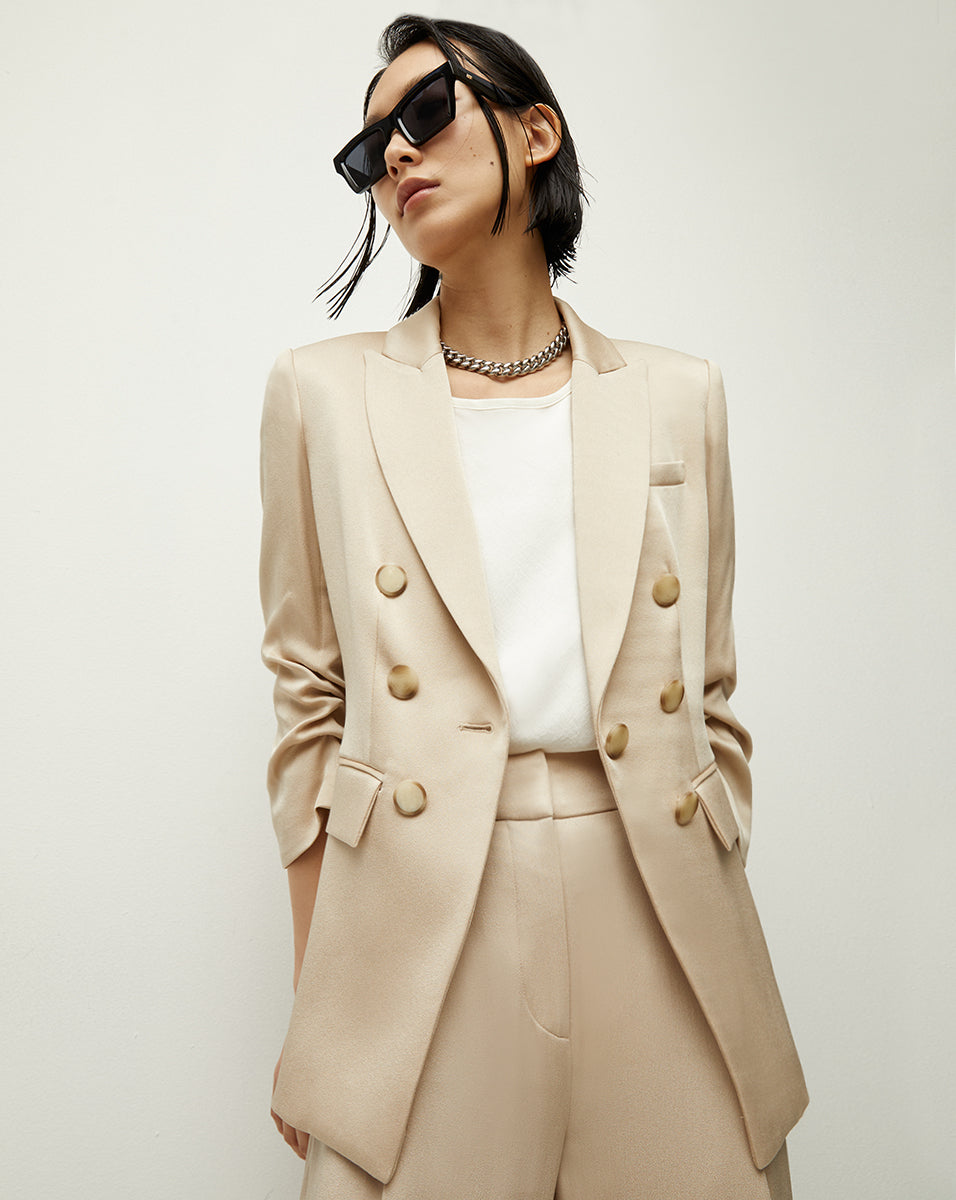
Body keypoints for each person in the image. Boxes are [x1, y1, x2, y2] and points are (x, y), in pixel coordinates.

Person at [258, 14, 808, 1200]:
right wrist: (324, 992)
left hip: (654, 898)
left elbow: (709, 693)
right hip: (421, 914)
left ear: (537, 131)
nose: (394, 156)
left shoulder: (677, 395)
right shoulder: (322, 395)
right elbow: (309, 703)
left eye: (425, 111)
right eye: (366, 151)